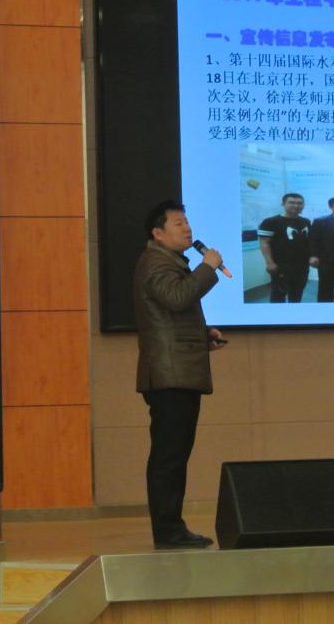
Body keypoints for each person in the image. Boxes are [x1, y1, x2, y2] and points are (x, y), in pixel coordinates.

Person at [134, 200, 227, 549]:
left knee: (174, 455)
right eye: (178, 223)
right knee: (169, 457)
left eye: (187, 222)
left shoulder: (169, 261)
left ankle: (172, 527)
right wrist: (208, 267)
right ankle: (169, 531)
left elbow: (169, 315)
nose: (187, 228)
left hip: (177, 372)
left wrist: (202, 336)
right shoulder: (155, 262)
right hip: (170, 376)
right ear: (158, 234)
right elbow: (177, 298)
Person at [257, 193, 311, 302]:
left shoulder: (306, 221)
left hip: (302, 265)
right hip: (281, 265)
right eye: (291, 202)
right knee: (278, 294)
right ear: (283, 204)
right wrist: (270, 263)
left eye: (299, 203)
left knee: (297, 293)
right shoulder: (270, 222)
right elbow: (264, 243)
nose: (296, 206)